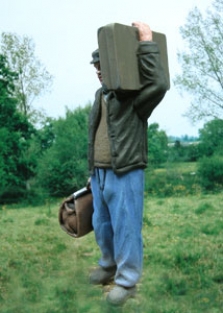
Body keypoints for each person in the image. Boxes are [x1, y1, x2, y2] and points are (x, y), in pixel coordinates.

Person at [88, 21, 168, 306]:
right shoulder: (101, 96)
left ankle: (127, 281)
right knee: (102, 225)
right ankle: (108, 265)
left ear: (116, 64)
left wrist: (146, 43)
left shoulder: (135, 100)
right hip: (99, 173)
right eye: (95, 66)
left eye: (103, 64)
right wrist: (92, 175)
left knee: (126, 228)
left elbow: (159, 83)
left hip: (126, 172)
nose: (99, 70)